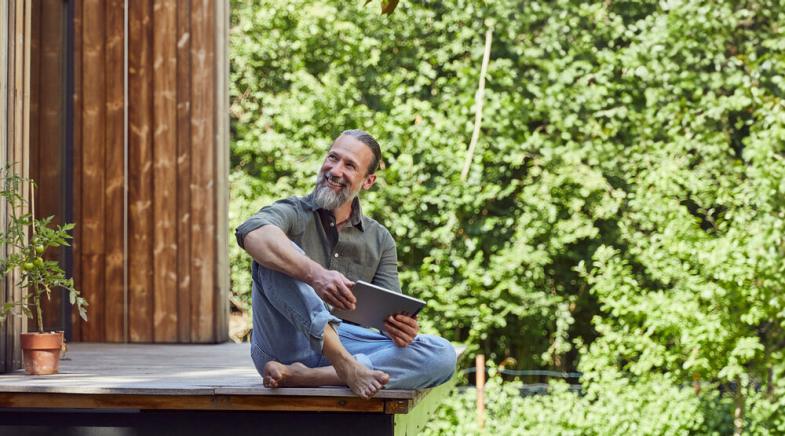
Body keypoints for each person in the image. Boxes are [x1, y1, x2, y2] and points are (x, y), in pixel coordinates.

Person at [235, 129, 456, 399]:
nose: (335, 170)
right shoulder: (294, 212)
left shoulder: (380, 240)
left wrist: (401, 328)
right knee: (275, 250)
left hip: (349, 347)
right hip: (283, 342)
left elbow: (387, 319)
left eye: (350, 165)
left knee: (442, 353)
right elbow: (250, 232)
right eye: (332, 158)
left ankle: (312, 377)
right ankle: (343, 365)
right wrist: (316, 275)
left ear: (368, 181)